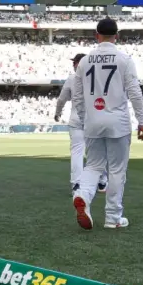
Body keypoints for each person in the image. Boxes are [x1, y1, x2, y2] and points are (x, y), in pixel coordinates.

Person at [71, 17, 143, 230]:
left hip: (93, 121)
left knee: (93, 165)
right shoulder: (124, 59)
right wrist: (142, 121)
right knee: (116, 170)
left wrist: (86, 117)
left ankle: (82, 195)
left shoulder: (84, 61)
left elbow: (77, 96)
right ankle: (113, 217)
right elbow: (134, 92)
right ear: (117, 36)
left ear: (96, 36)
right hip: (118, 122)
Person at [54, 53, 107, 193]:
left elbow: (61, 99)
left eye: (75, 62)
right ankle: (102, 181)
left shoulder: (72, 79)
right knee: (96, 151)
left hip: (77, 118)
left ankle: (77, 184)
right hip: (94, 118)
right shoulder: (98, 77)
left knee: (78, 152)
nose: (73, 65)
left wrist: (58, 113)